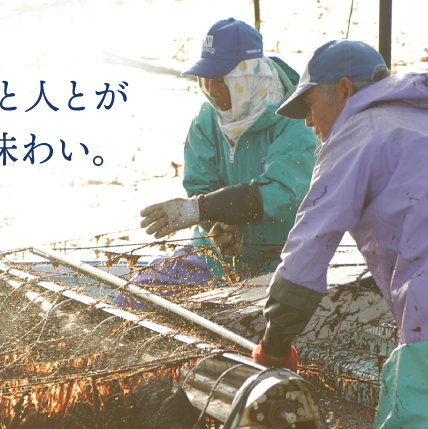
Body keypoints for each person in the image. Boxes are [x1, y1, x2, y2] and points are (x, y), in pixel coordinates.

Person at [251, 38, 428, 429]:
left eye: (310, 104)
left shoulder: (359, 131)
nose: (308, 121)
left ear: (345, 90)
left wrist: (275, 344)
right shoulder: (415, 118)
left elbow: (310, 242)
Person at [134, 17, 318, 300]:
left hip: (280, 266)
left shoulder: (296, 122)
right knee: (136, 295)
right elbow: (200, 186)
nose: (214, 92)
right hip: (215, 260)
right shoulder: (207, 119)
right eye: (207, 80)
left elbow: (282, 193)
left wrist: (199, 210)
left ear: (249, 77)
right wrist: (218, 229)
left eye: (222, 81)